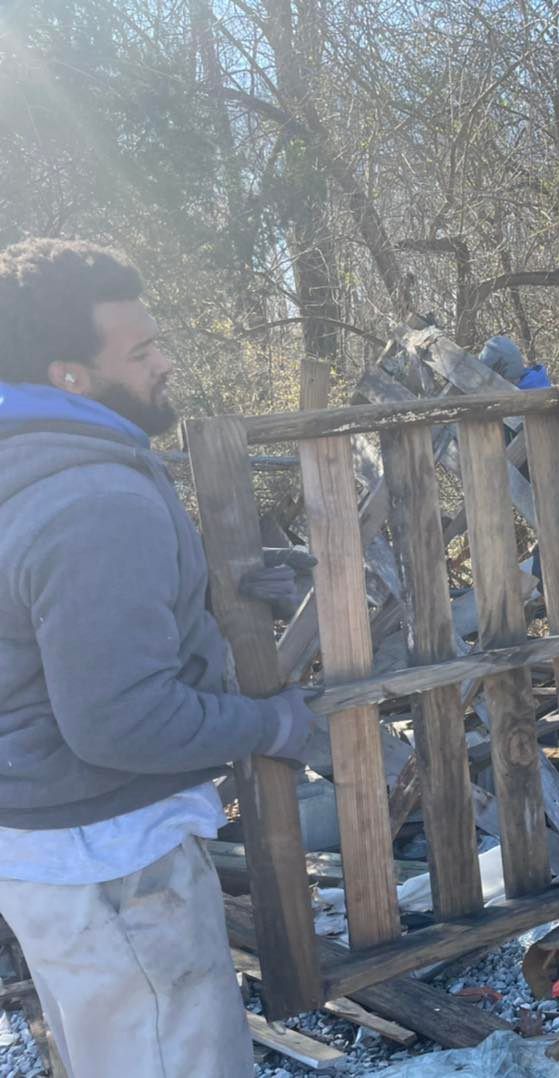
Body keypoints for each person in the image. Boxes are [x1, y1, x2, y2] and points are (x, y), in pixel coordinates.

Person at [0, 239, 322, 1075]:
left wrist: (220, 597)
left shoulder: (32, 466)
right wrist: (268, 725)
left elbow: (54, 636)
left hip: (53, 848)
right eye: (140, 351)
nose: (166, 361)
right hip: (112, 860)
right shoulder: (92, 501)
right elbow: (120, 721)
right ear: (70, 374)